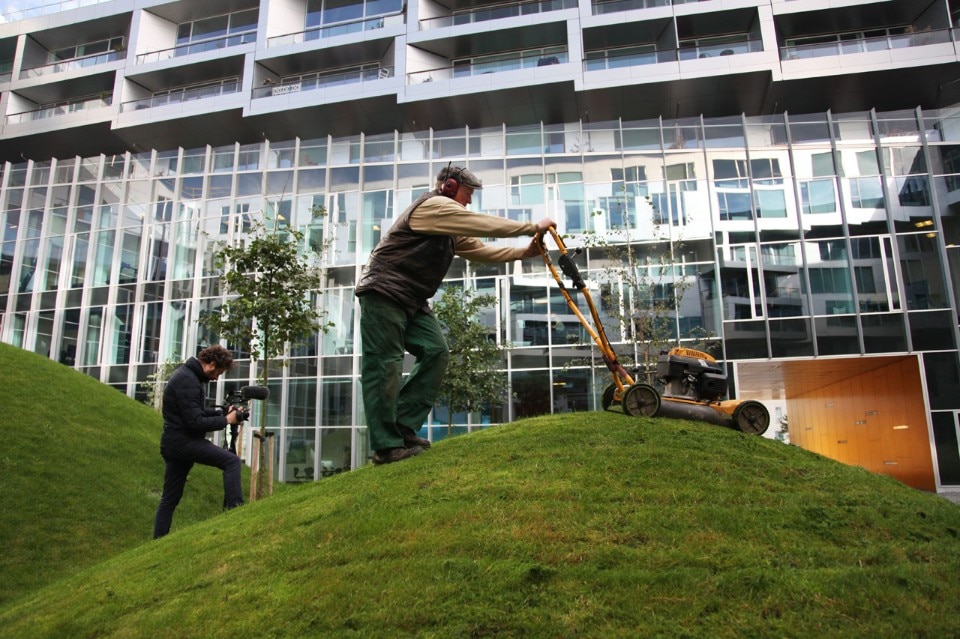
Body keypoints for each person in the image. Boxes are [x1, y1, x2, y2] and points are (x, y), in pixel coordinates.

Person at [355, 165, 556, 465]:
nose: (470, 201)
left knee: (437, 351)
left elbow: (479, 250)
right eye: (468, 193)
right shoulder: (434, 206)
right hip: (384, 292)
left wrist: (522, 253)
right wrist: (531, 226)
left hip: (412, 300)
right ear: (449, 187)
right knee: (385, 366)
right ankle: (386, 446)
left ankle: (402, 426)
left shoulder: (448, 228)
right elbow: (478, 223)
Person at [153, 345, 244, 539]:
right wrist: (227, 420)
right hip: (183, 442)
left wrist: (221, 412)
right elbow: (195, 422)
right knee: (232, 462)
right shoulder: (188, 381)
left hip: (173, 442)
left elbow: (194, 412)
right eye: (218, 372)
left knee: (170, 497)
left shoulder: (188, 376)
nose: (217, 377)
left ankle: (157, 541)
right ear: (211, 364)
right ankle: (235, 511)